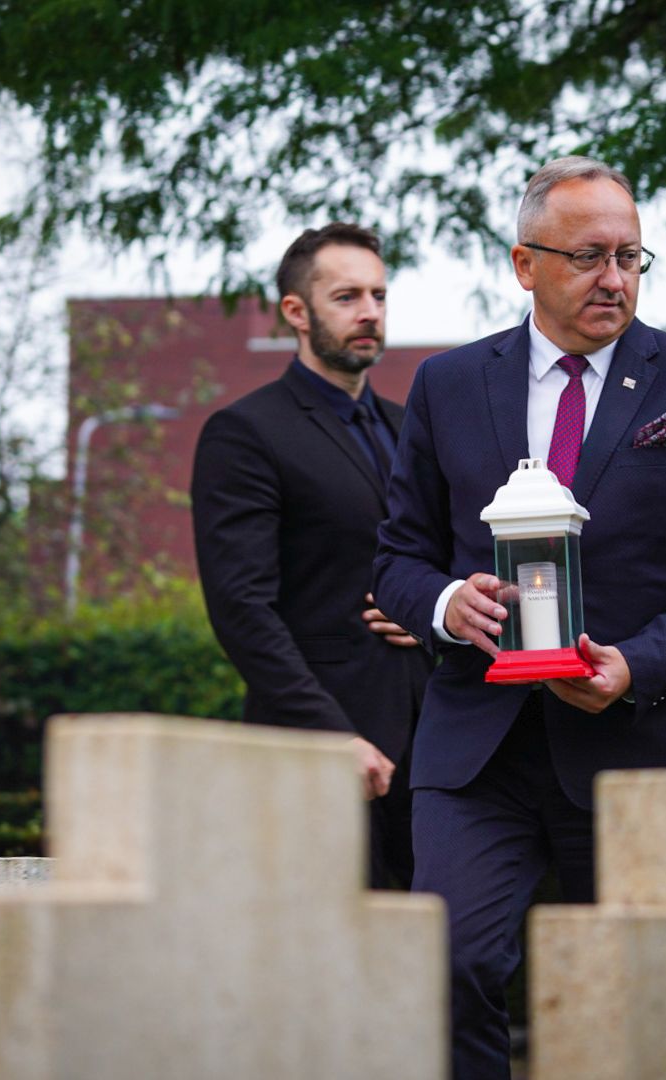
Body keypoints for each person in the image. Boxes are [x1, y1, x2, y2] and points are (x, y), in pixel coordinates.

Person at [373, 157, 666, 1078]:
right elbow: (396, 560)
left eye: (631, 257)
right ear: (526, 264)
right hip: (477, 751)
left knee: (640, 1004)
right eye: (590, 257)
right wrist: (447, 604)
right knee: (446, 968)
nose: (615, 279)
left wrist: (639, 664)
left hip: (635, 746)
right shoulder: (445, 385)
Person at [192, 222, 432, 889]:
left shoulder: (411, 429)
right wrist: (330, 735)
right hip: (316, 749)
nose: (370, 313)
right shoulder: (245, 433)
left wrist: (430, 612)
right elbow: (242, 609)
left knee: (439, 946)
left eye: (379, 296)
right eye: (347, 297)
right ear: (296, 312)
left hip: (435, 751)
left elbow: (443, 564)